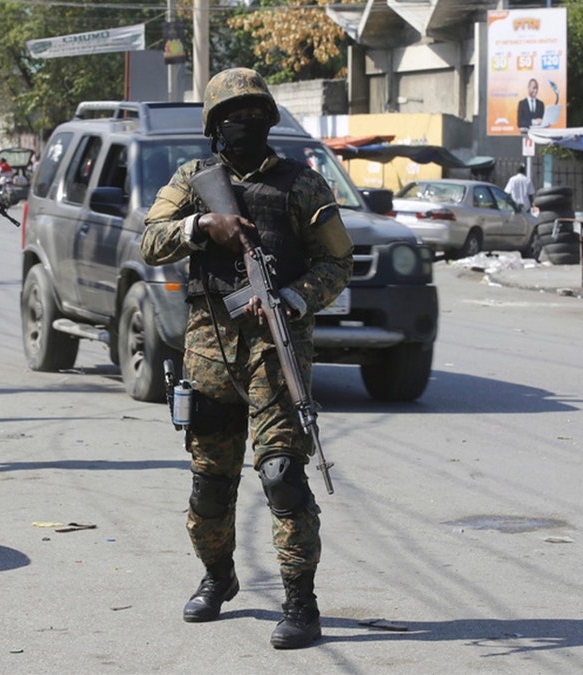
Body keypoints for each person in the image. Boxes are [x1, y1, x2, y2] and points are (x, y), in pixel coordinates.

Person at [140, 68, 353, 650]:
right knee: (210, 484)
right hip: (209, 348)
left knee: (282, 476)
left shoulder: (302, 185)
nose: (247, 124)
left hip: (275, 348)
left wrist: (290, 296)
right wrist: (202, 224)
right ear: (214, 126)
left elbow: (339, 263)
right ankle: (218, 577)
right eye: (234, 116)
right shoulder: (192, 179)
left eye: (257, 114)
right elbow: (149, 238)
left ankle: (300, 602)